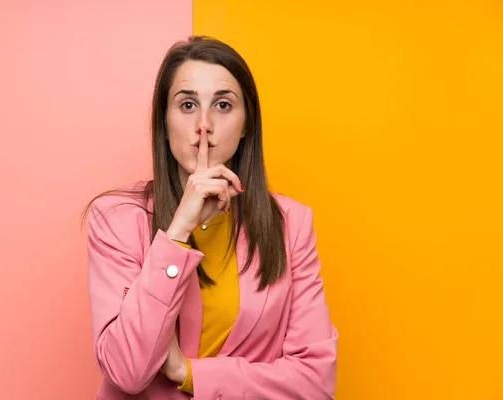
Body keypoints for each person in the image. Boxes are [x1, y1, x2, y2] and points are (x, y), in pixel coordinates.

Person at [84, 35, 338, 399]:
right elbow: (127, 372)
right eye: (187, 105)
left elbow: (315, 385)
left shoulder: (292, 224)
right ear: (164, 121)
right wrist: (177, 233)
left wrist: (186, 373)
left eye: (222, 104)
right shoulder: (117, 220)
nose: (204, 124)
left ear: (247, 122)